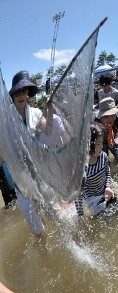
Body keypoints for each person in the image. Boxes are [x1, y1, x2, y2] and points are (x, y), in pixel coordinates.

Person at [8, 71, 59, 237]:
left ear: (28, 93)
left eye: (24, 91)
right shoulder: (5, 120)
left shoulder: (36, 113)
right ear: (13, 95)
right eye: (18, 92)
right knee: (36, 228)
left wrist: (50, 111)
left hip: (42, 174)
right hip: (22, 179)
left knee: (56, 215)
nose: (21, 95)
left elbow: (49, 130)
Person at [75, 122, 118, 216]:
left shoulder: (103, 156)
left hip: (104, 192)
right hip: (91, 200)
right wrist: (81, 216)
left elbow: (107, 172)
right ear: (88, 144)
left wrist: (107, 186)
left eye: (102, 143)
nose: (102, 147)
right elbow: (78, 194)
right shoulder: (82, 167)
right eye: (98, 144)